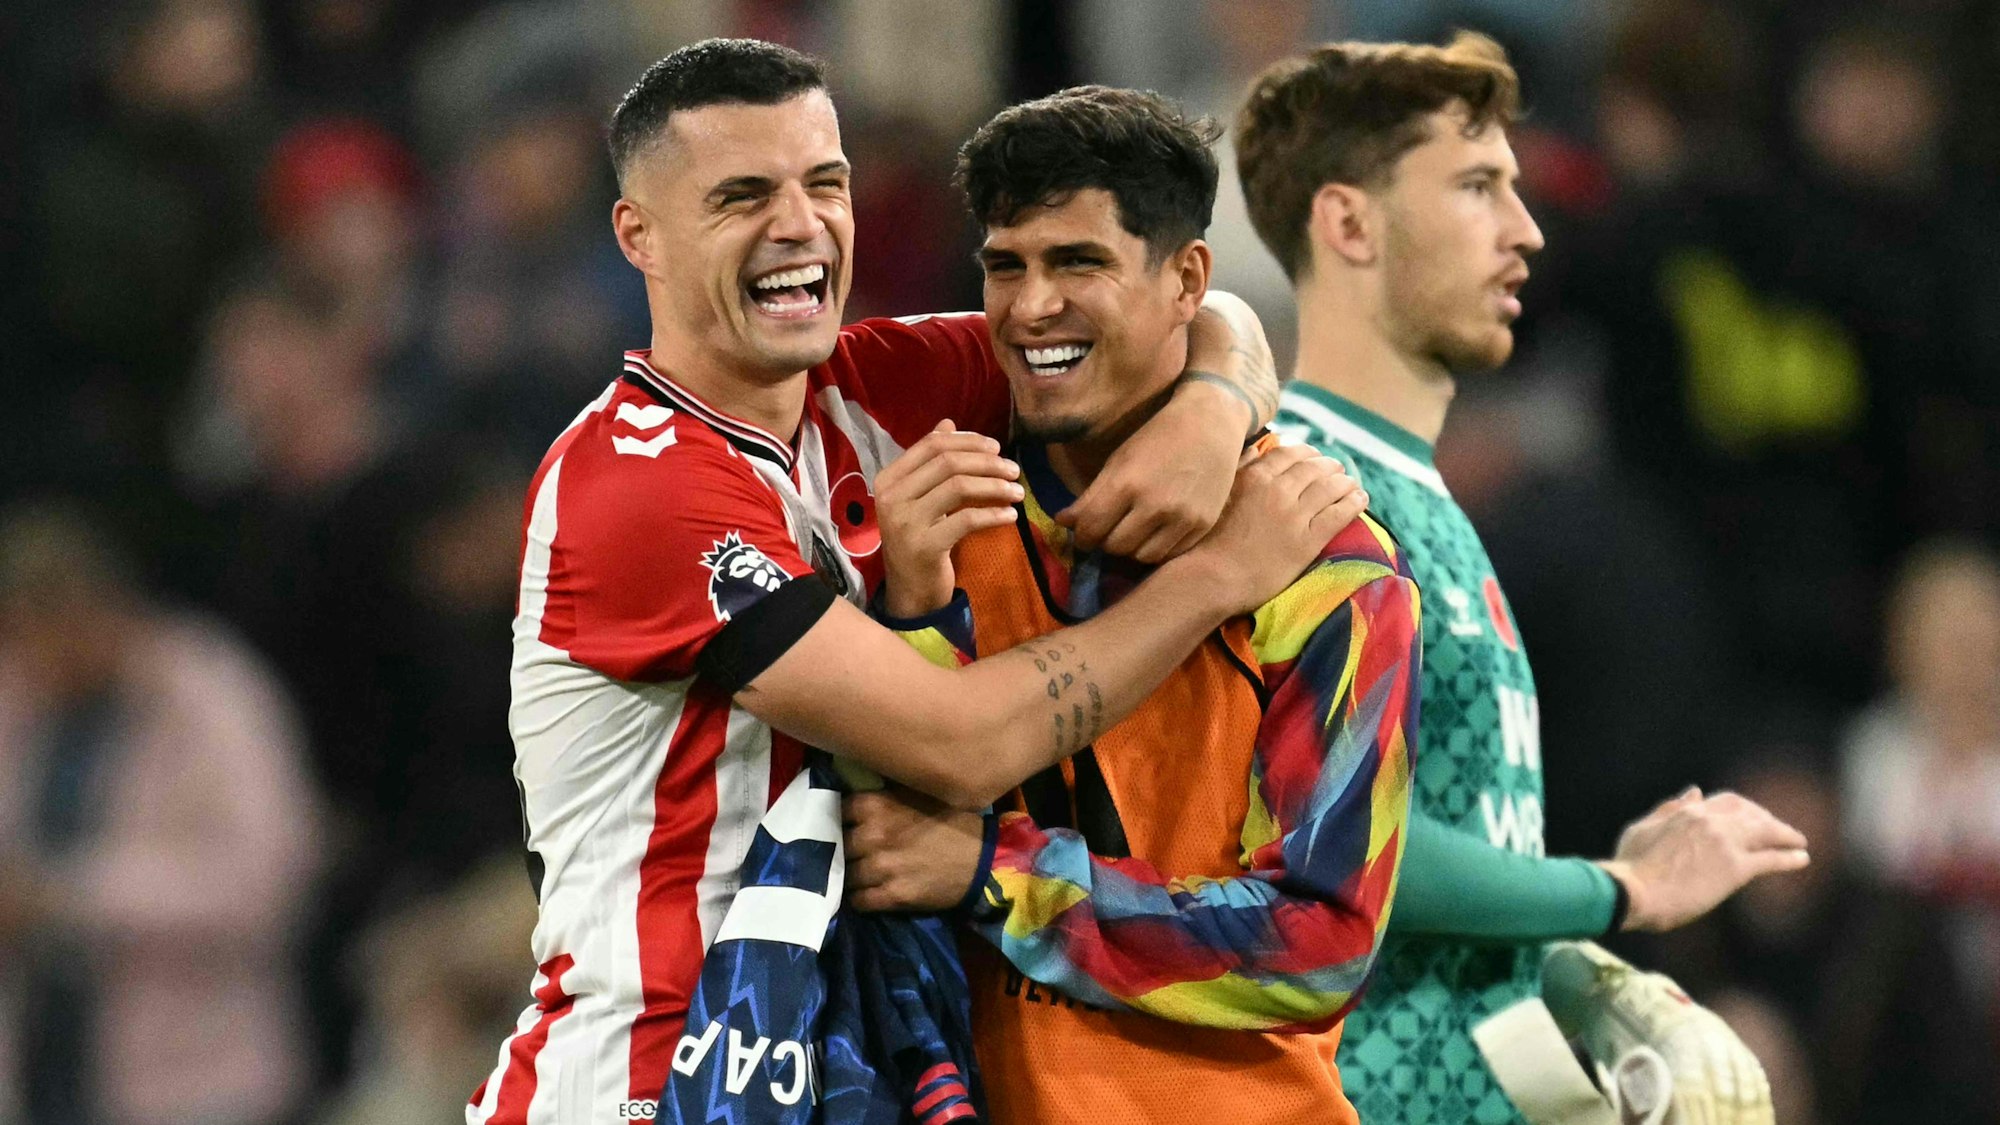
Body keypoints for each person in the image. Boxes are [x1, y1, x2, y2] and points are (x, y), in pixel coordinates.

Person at [468, 39, 1367, 1125]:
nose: (798, 225)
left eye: (825, 183)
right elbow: (958, 738)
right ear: (638, 237)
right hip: (648, 1085)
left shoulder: (875, 386)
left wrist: (1211, 410)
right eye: (741, 196)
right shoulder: (633, 489)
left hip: (836, 1074)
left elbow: (1163, 318)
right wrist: (1218, 575)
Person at [1233, 33, 1811, 1123]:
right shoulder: (1304, 488)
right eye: (1474, 188)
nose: (1526, 230)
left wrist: (1589, 1016)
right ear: (1347, 221)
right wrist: (1618, 891)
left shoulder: (1431, 505)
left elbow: (1450, 943)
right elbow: (1348, 852)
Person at [839, 86, 1421, 1125]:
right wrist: (920, 612)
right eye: (1003, 265)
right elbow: (891, 839)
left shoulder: (1319, 557)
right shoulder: (945, 514)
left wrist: (997, 878)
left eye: (1077, 263)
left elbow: (1320, 942)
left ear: (1185, 278)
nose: (1027, 308)